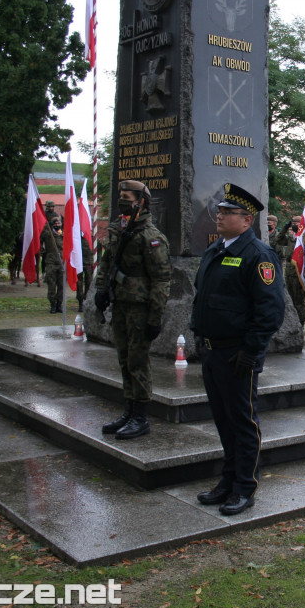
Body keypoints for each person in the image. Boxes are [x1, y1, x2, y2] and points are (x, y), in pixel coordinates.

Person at [192, 183, 285, 516]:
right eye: (219, 210)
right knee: (223, 421)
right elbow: (203, 298)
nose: (219, 215)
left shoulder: (259, 255)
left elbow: (270, 311)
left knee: (242, 422)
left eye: (227, 212)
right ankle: (228, 480)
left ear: (246, 220)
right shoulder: (217, 249)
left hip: (237, 354)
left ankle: (245, 487)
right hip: (212, 352)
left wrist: (251, 350)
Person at [94, 180, 171, 440]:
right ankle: (128, 411)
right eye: (121, 195)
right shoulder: (119, 228)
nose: (122, 200)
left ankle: (140, 416)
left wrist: (155, 318)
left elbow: (161, 280)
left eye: (128, 196)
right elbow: (107, 262)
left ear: (142, 201)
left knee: (138, 362)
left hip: (139, 308)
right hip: (120, 304)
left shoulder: (151, 237)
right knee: (124, 359)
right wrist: (101, 290)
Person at [40, 216, 63, 314]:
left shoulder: (63, 234)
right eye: (55, 223)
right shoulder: (48, 234)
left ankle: (59, 304)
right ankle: (53, 304)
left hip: (61, 263)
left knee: (61, 286)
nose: (57, 225)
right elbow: (40, 235)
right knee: (52, 285)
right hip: (51, 263)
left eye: (59, 223)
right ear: (52, 224)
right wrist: (47, 225)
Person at [75, 232, 94, 313]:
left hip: (89, 263)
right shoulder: (77, 238)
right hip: (79, 263)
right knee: (79, 284)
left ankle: (87, 300)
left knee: (89, 283)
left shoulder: (92, 237)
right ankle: (80, 302)